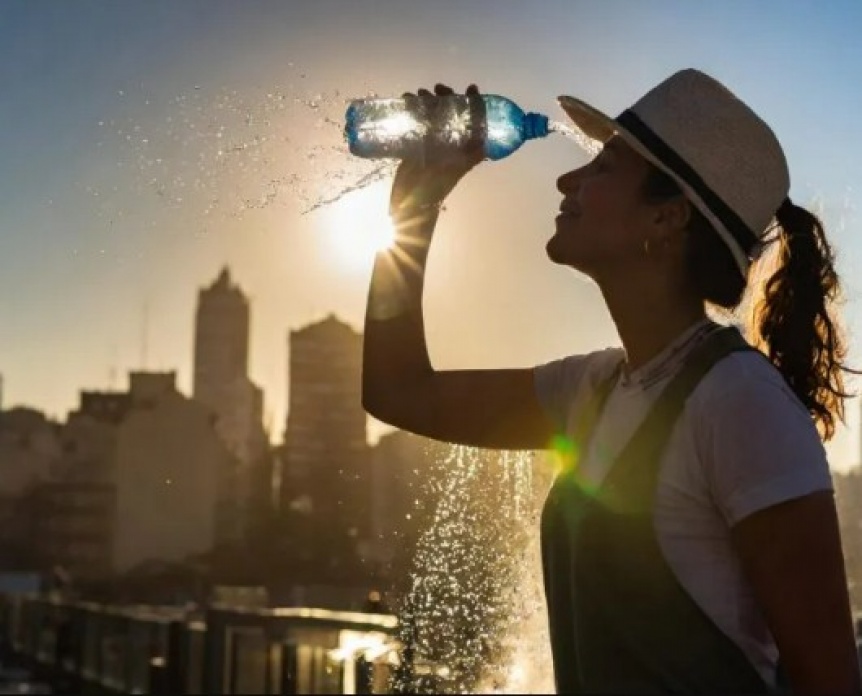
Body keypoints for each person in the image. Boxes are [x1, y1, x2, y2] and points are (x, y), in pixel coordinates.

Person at [362, 70, 862, 694]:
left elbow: (831, 682)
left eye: (604, 167)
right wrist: (411, 205)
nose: (568, 180)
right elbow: (398, 391)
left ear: (668, 217)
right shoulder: (594, 389)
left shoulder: (740, 403)